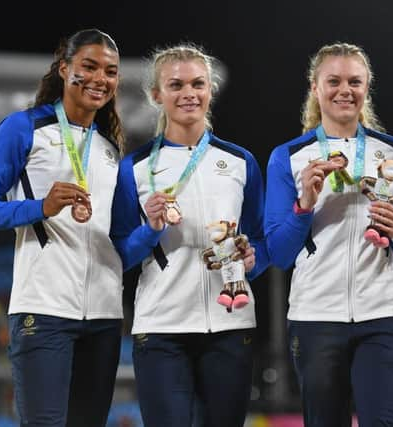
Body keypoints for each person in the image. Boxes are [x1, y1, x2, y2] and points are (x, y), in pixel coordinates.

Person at [0, 29, 125, 427]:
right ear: (65, 68)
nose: (100, 78)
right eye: (89, 66)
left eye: (111, 71)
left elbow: (114, 234)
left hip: (104, 314)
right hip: (44, 309)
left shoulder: (110, 146)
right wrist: (39, 207)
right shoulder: (23, 128)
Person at [110, 44, 268, 427]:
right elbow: (119, 256)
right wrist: (150, 230)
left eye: (198, 83)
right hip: (162, 328)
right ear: (156, 95)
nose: (188, 94)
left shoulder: (240, 162)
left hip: (230, 325)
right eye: (176, 85)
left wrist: (253, 259)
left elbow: (262, 242)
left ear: (210, 90)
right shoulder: (135, 167)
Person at [264, 42, 393, 427]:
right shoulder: (290, 156)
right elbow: (279, 253)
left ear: (367, 88)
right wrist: (304, 205)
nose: (344, 90)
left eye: (354, 81)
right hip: (316, 316)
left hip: (382, 312)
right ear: (315, 87)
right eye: (334, 81)